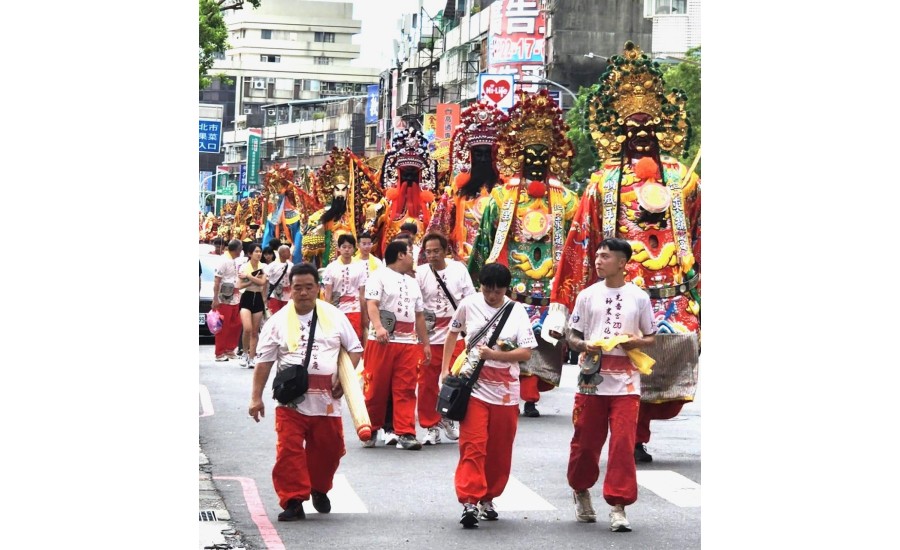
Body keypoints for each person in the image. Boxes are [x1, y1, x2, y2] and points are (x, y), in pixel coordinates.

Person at [546, 41, 700, 463]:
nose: (640, 138)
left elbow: (702, 234)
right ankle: (625, 436)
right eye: (630, 131)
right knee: (617, 362)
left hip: (671, 294)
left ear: (662, 131)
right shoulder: (603, 183)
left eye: (647, 130)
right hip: (621, 293)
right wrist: (566, 301)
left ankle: (636, 433)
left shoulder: (681, 179)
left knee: (673, 346)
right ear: (618, 136)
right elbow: (581, 241)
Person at [467, 90, 580, 418]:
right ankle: (522, 388)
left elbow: (575, 239)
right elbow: (486, 239)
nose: (536, 161)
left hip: (549, 280)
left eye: (542, 155)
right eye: (530, 154)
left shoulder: (566, 199)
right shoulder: (502, 197)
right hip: (514, 278)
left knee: (545, 335)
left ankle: (532, 392)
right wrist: (481, 276)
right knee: (516, 331)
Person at [249, 262, 364, 521]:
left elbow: (355, 348)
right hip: (291, 402)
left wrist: (343, 381)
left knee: (330, 451)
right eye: (297, 288)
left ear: (318, 289)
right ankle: (293, 500)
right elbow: (264, 362)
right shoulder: (277, 322)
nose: (302, 293)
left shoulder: (335, 316)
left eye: (308, 287)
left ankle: (319, 488)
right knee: (288, 451)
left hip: (327, 401)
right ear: (290, 289)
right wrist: (255, 397)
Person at [565, 238, 656, 531]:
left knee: (622, 445)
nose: (598, 260)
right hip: (591, 381)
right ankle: (580, 489)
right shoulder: (587, 295)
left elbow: (652, 337)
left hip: (627, 384)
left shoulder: (639, 297)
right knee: (586, 443)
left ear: (622, 262)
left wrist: (636, 341)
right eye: (597, 256)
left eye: (605, 256)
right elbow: (572, 335)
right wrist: (585, 345)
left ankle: (618, 506)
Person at [442, 263, 537, 528]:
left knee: (499, 450)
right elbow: (452, 333)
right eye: (486, 289)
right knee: (473, 445)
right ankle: (469, 501)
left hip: (506, 392)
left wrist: (496, 355)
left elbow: (527, 352)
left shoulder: (516, 312)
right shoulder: (469, 304)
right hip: (473, 389)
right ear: (480, 285)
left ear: (506, 289)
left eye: (497, 290)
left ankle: (488, 497)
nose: (491, 295)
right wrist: (444, 369)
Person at [360, 240, 430, 450]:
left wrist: (424, 343)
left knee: (406, 388)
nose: (412, 257)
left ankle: (406, 432)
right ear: (400, 255)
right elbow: (372, 304)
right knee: (375, 387)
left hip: (408, 343)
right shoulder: (378, 276)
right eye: (410, 252)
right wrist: (379, 327)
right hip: (382, 341)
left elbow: (419, 316)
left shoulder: (413, 282)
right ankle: (370, 428)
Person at [427, 100, 509, 264]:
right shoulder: (455, 192)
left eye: (489, 154)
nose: (484, 159)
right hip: (463, 262)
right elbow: (439, 229)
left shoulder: (507, 191)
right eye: (478, 154)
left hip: (499, 263)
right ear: (470, 156)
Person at [415, 231, 476, 444]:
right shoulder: (420, 272)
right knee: (426, 383)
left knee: (456, 380)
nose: (432, 255)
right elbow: (416, 305)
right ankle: (430, 425)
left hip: (455, 336)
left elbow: (470, 300)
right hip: (430, 337)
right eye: (428, 252)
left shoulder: (459, 269)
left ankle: (448, 416)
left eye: (436, 251)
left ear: (445, 251)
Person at [301, 148, 381, 268]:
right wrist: (318, 232)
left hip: (354, 262)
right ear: (331, 191)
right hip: (330, 262)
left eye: (344, 190)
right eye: (337, 190)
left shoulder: (358, 214)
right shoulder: (320, 216)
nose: (340, 194)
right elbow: (307, 250)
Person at [369, 129, 437, 257]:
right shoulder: (386, 204)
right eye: (406, 174)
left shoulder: (430, 206)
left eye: (414, 174)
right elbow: (371, 232)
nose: (410, 179)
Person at [321, 234, 368, 344]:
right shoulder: (331, 268)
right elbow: (327, 295)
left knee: (355, 340)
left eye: (350, 247)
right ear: (338, 248)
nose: (347, 250)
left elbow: (362, 295)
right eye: (344, 247)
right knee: (338, 340)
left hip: (354, 309)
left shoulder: (360, 267)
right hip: (337, 309)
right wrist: (326, 314)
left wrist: (364, 315)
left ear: (354, 249)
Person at [211, 239, 244, 361]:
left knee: (237, 323)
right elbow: (217, 280)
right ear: (237, 250)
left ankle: (229, 349)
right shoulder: (223, 261)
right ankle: (219, 352)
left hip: (235, 297)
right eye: (240, 249)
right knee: (223, 326)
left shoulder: (235, 260)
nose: (241, 251)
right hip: (224, 298)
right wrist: (215, 298)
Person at [237, 244, 268, 368]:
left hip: (258, 298)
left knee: (255, 331)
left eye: (260, 252)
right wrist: (252, 280)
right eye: (256, 252)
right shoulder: (244, 266)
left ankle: (252, 357)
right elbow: (239, 285)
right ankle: (244, 353)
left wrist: (249, 277)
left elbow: (262, 282)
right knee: (247, 328)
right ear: (250, 254)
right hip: (247, 297)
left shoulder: (264, 266)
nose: (259, 254)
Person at [265, 245, 293, 316]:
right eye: (288, 252)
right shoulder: (272, 266)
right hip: (275, 295)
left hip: (288, 295)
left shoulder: (291, 265)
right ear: (282, 253)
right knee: (275, 314)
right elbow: (266, 280)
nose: (290, 253)